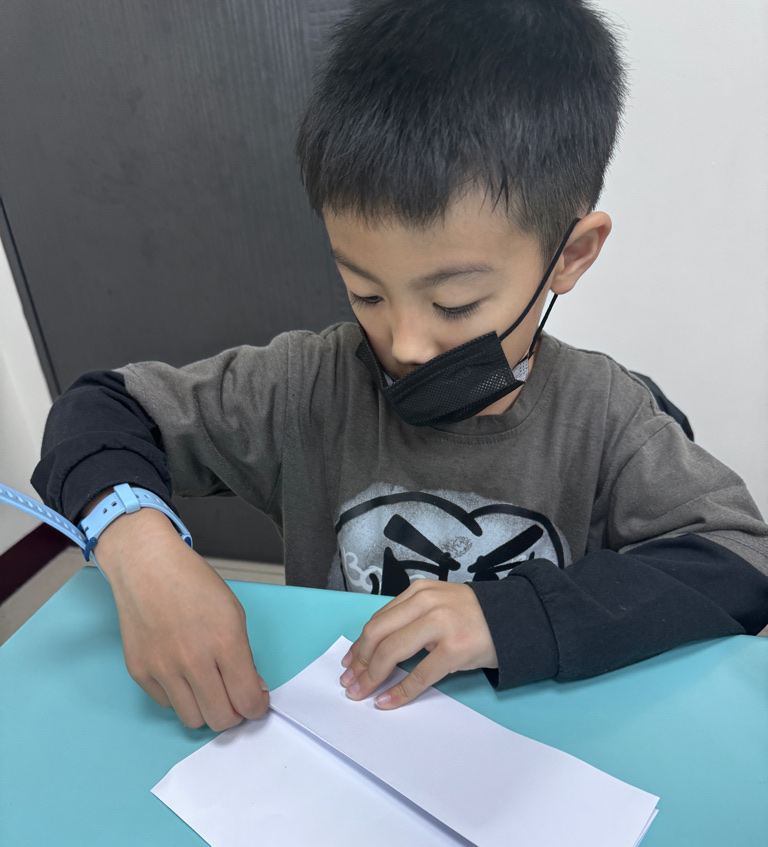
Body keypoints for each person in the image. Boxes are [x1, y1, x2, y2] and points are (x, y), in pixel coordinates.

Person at [33, 0, 768, 731]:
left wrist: (514, 615)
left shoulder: (605, 417)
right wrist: (140, 549)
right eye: (367, 292)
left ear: (570, 255)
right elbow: (102, 410)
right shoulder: (305, 388)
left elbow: (741, 560)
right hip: (345, 733)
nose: (406, 342)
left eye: (454, 303)